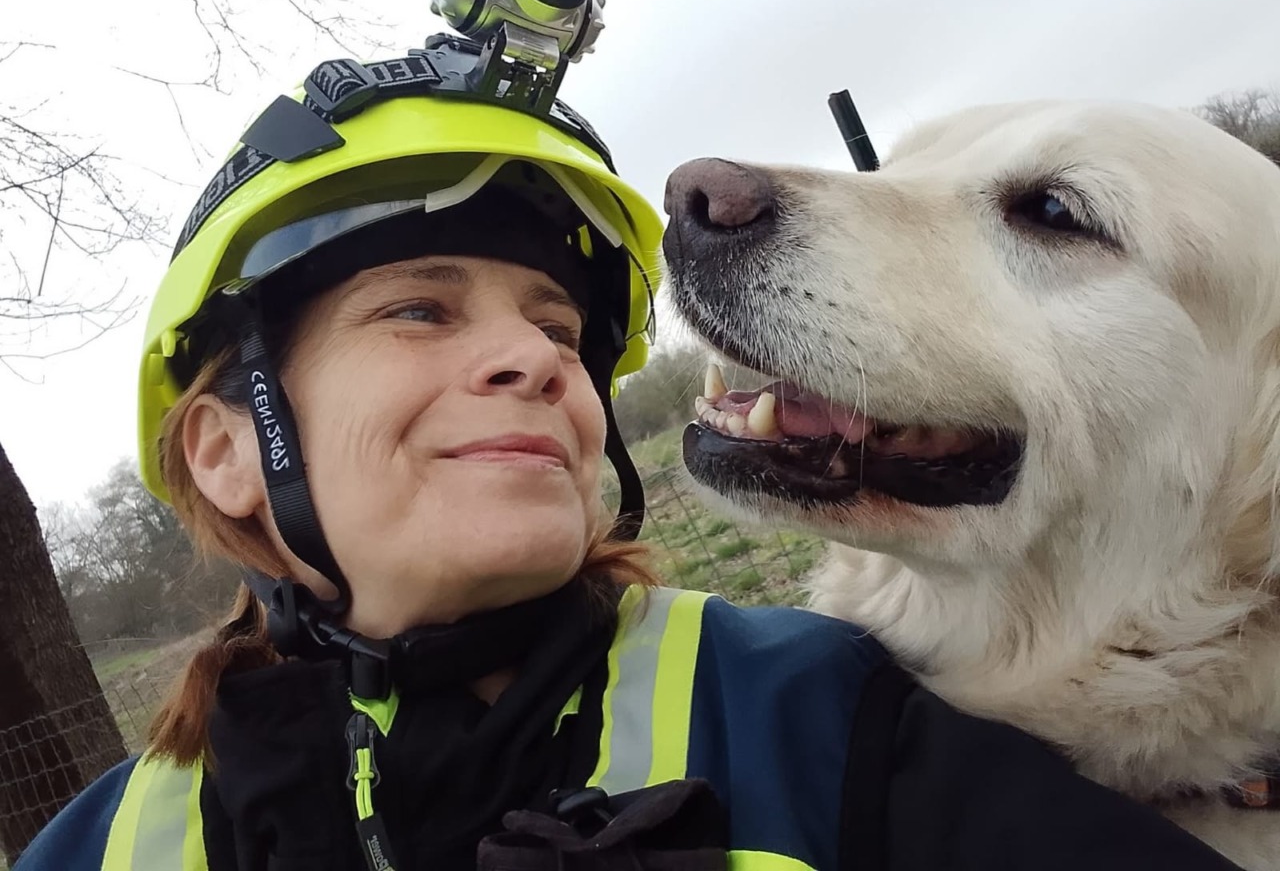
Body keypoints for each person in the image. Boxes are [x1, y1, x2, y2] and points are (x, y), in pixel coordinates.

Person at [14, 43, 1244, 871]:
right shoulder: (96, 849)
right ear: (228, 452)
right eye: (419, 311)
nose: (538, 361)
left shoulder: (822, 711)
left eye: (555, 331)